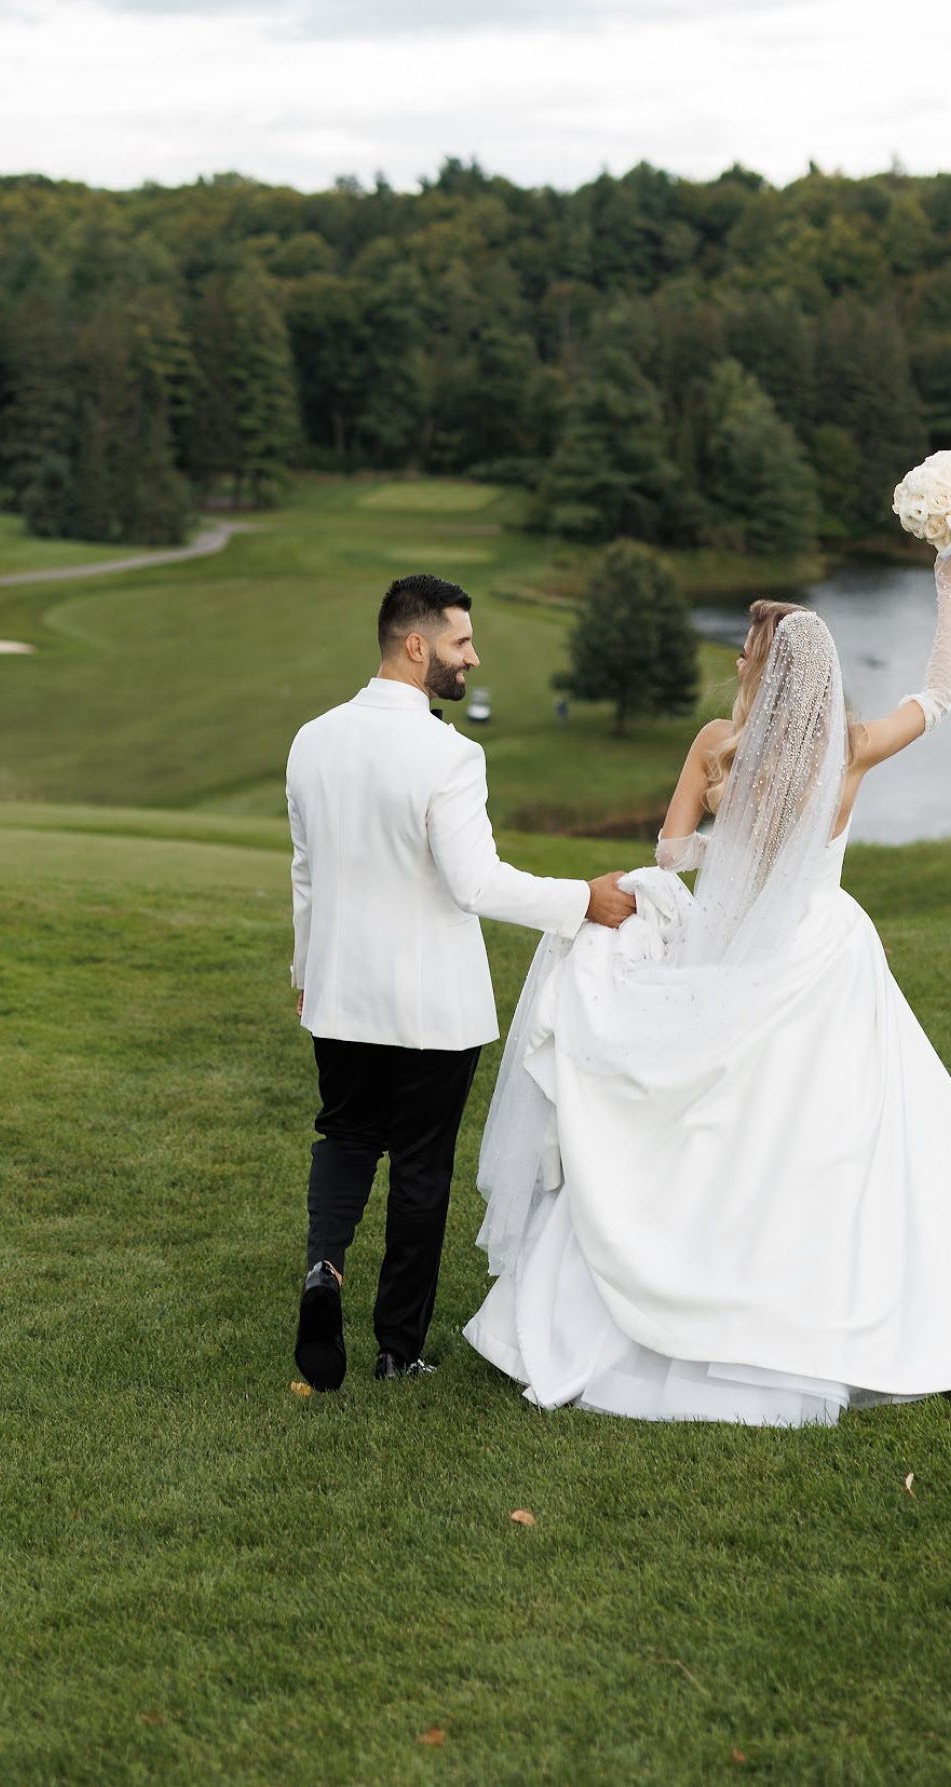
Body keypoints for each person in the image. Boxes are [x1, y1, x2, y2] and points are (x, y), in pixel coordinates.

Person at [464, 544, 951, 1425]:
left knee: (719, 1123)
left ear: (763, 671)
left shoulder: (716, 746)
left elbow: (669, 855)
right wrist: (950, 593)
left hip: (732, 951)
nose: (735, 663)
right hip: (822, 954)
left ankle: (673, 1279)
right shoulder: (849, 747)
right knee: (830, 1134)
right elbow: (939, 696)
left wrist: (710, 857)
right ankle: (825, 1285)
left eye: (743, 653)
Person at [287, 572, 633, 1391]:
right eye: (460, 642)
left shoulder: (312, 738)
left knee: (343, 1136)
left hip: (340, 993)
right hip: (430, 1009)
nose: (473, 658)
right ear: (416, 645)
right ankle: (396, 1347)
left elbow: (306, 871)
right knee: (419, 1167)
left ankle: (323, 1272)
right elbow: (476, 882)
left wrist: (307, 970)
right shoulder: (450, 753)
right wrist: (583, 899)